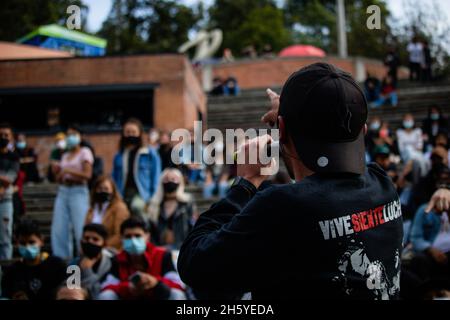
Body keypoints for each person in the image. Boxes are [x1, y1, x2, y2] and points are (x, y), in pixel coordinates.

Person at [178, 63, 404, 300]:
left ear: (281, 129)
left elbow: (195, 264)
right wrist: (291, 121)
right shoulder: (381, 183)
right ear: (364, 129)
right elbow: (321, 180)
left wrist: (246, 182)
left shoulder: (282, 205)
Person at [99, 217, 185, 300]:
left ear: (147, 237)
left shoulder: (163, 256)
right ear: (122, 239)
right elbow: (106, 287)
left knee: (177, 294)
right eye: (128, 236)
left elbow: (178, 285)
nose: (133, 240)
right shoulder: (117, 260)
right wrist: (127, 287)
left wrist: (155, 282)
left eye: (137, 236)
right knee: (106, 296)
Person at [51, 125, 94, 259]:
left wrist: (68, 171)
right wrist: (56, 172)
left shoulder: (85, 152)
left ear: (80, 137)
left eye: (74, 134)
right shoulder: (65, 155)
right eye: (68, 134)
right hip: (63, 191)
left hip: (78, 191)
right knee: (59, 229)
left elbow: (87, 175)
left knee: (80, 227)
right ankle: (62, 262)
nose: (70, 137)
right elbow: (58, 178)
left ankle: (83, 259)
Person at [1, 220, 67, 300]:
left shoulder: (57, 266)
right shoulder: (12, 272)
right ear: (17, 243)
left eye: (31, 242)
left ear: (41, 241)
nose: (27, 247)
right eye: (23, 243)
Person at [112, 118, 161, 219]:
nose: (130, 135)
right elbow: (114, 178)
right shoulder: (119, 155)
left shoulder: (150, 153)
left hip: (142, 193)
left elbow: (156, 177)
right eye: (128, 132)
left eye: (134, 132)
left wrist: (152, 199)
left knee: (137, 208)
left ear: (139, 133)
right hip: (123, 193)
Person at [147, 168, 197, 250]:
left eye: (173, 179)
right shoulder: (154, 205)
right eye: (166, 179)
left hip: (182, 249)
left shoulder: (187, 203)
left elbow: (193, 226)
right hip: (160, 250)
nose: (170, 181)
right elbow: (151, 231)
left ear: (180, 182)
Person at [69, 224, 119, 299]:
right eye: (86, 238)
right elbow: (72, 292)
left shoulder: (112, 263)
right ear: (81, 241)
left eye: (95, 239)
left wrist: (87, 271)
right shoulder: (74, 264)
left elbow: (99, 291)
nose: (90, 242)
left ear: (104, 244)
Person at [85, 176, 130, 250]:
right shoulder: (92, 208)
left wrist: (101, 245)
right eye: (100, 188)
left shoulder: (119, 208)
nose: (102, 191)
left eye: (106, 189)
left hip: (111, 249)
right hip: (91, 248)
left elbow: (119, 234)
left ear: (112, 191)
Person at [0, 123, 20, 260]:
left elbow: (10, 180)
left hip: (5, 200)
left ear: (11, 138)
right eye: (0, 135)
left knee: (5, 236)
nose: (3, 137)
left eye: (6, 135)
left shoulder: (14, 157)